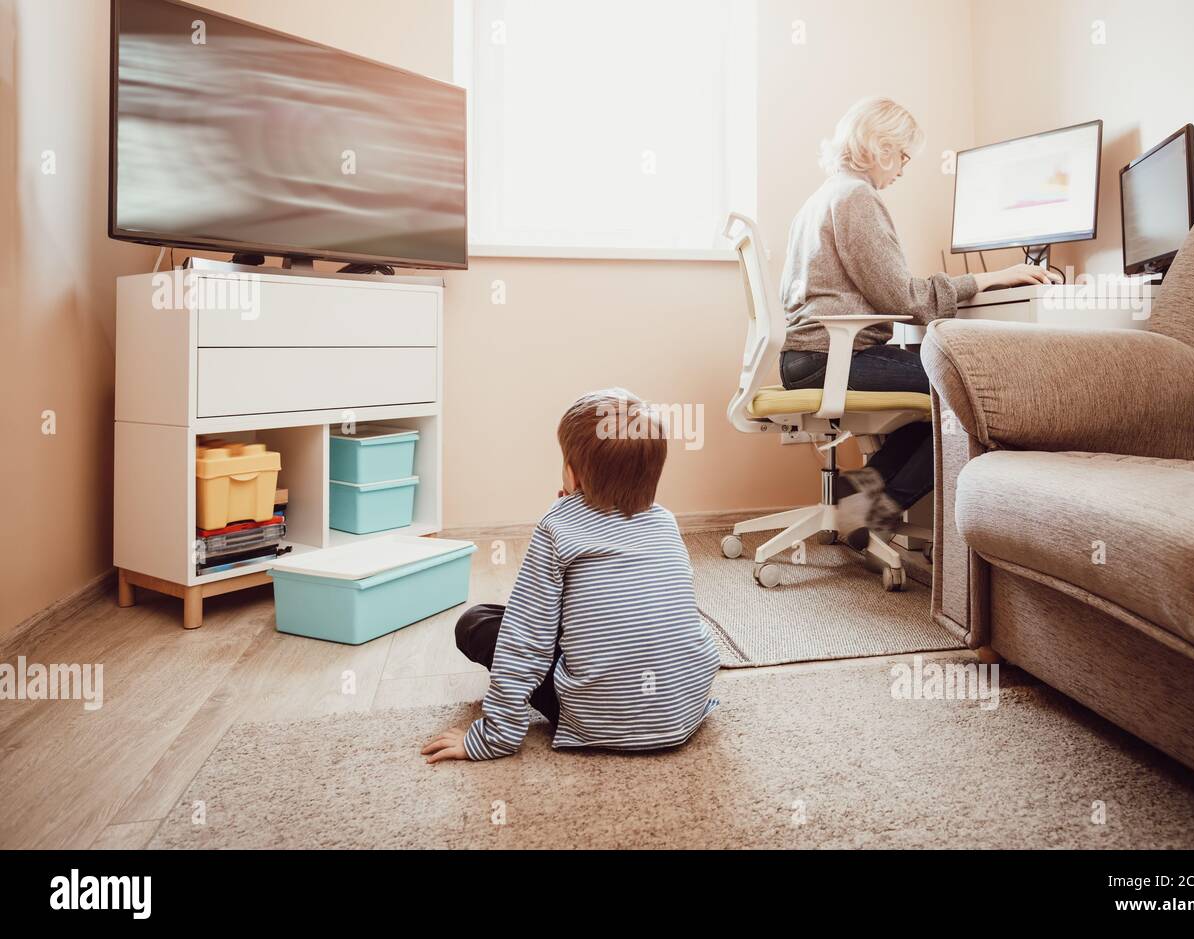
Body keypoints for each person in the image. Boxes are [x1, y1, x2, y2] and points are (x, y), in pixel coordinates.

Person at [779, 96, 1054, 539]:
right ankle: (876, 512)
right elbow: (906, 297)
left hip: (806, 358)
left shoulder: (823, 195)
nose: (903, 169)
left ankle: (859, 500)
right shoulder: (856, 197)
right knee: (973, 392)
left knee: (935, 404)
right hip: (833, 359)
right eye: (903, 155)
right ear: (880, 145)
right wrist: (990, 279)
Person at [421, 389, 720, 763]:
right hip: (684, 708)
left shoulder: (558, 525)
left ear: (573, 474)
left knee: (476, 623)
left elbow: (525, 635)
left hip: (600, 719)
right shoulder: (665, 522)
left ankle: (584, 714)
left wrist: (492, 737)